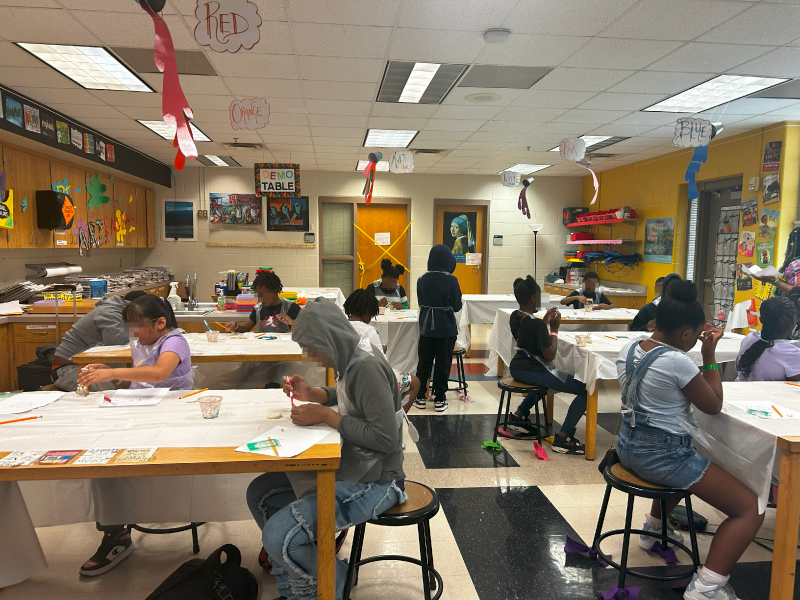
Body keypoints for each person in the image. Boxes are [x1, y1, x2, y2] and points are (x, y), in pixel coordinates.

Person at [246, 298, 406, 600]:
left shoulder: (367, 367)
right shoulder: (352, 357)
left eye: (312, 348)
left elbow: (386, 438)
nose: (309, 356)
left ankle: (335, 580)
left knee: (278, 536)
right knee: (259, 493)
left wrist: (326, 416)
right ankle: (295, 587)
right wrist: (314, 394)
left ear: (330, 340)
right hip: (355, 464)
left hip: (379, 481)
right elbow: (352, 395)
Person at [615, 281, 763, 600]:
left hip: (626, 447)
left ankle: (653, 531)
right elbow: (713, 405)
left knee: (691, 460)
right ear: (685, 334)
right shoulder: (677, 361)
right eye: (696, 336)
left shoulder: (629, 348)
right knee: (751, 508)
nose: (697, 340)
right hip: (662, 458)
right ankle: (707, 586)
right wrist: (709, 356)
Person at [76, 295, 193, 577]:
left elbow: (159, 373)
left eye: (136, 326)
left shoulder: (174, 342)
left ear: (160, 323)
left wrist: (113, 372)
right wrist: (113, 375)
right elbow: (138, 379)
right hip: (142, 409)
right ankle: (116, 531)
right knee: (107, 457)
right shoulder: (143, 343)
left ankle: (123, 525)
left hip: (172, 412)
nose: (133, 334)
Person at [507, 276, 588, 455]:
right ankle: (562, 438)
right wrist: (554, 330)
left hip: (517, 367)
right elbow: (550, 355)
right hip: (533, 370)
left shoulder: (516, 316)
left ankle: (518, 415)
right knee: (586, 389)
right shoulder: (536, 324)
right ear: (533, 298)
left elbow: (528, 335)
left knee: (546, 384)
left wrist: (543, 323)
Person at [52, 289, 148, 392]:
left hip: (90, 364)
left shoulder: (122, 311)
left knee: (134, 383)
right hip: (67, 368)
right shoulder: (109, 312)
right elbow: (117, 341)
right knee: (114, 393)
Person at [343, 288, 420, 411]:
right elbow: (381, 363)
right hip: (370, 380)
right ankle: (396, 418)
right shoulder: (368, 331)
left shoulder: (340, 327)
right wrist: (382, 350)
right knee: (414, 382)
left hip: (346, 380)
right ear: (367, 312)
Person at [415, 244, 463, 412]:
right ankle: (440, 399)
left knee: (424, 362)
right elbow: (456, 306)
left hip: (426, 326)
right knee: (443, 364)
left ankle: (420, 396)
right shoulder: (451, 280)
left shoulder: (421, 279)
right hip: (446, 328)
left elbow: (420, 302)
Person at [736, 296, 800, 381]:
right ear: (794, 320)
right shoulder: (792, 353)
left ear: (761, 319)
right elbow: (794, 386)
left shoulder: (749, 338)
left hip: (742, 388)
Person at [225, 270, 300, 334]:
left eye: (265, 295)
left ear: (276, 290)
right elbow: (245, 329)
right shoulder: (258, 308)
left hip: (284, 345)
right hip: (263, 344)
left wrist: (293, 323)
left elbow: (306, 327)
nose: (261, 299)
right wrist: (235, 326)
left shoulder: (291, 307)